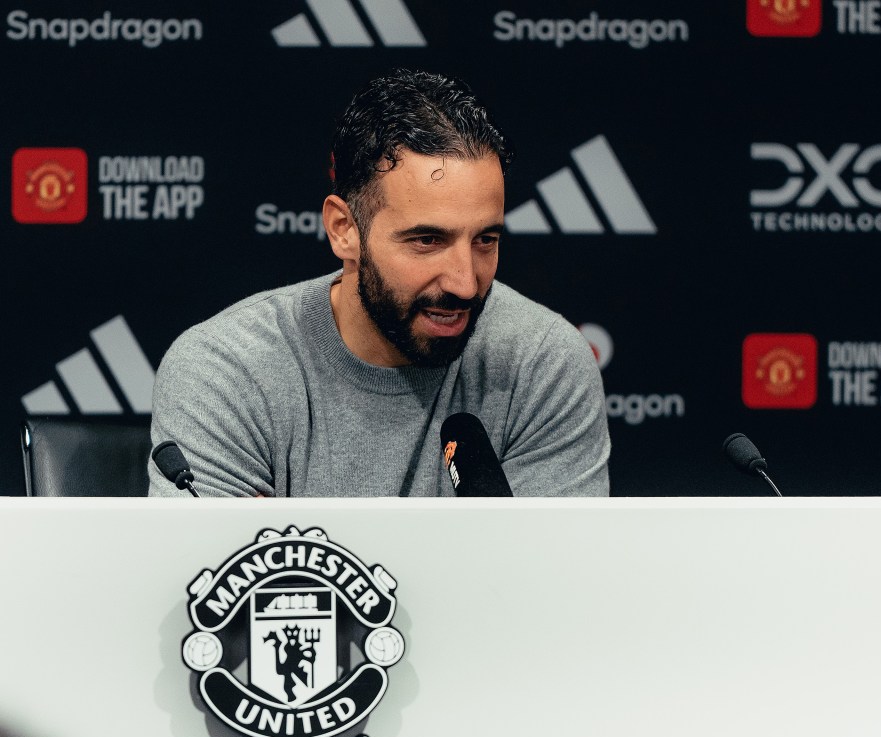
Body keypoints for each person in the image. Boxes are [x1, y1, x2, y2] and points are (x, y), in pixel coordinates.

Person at [148, 69, 610, 497]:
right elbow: (215, 582)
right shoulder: (228, 371)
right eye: (427, 240)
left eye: (485, 240)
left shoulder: (542, 364)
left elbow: (550, 580)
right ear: (344, 230)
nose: (466, 283)